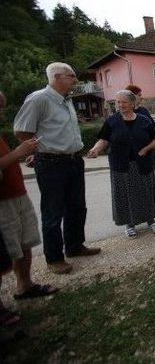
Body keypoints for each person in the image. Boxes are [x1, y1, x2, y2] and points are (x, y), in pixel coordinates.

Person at [14, 62, 100, 275]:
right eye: (71, 76)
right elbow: (21, 130)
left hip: (73, 160)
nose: (75, 80)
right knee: (53, 212)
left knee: (77, 207)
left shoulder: (67, 100)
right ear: (57, 77)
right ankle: (54, 258)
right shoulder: (39, 99)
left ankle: (74, 246)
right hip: (51, 163)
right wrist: (38, 149)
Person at [1, 90, 58, 303]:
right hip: (4, 200)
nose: (2, 113)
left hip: (17, 193)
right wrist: (17, 153)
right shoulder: (38, 99)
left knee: (24, 241)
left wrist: (21, 156)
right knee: (9, 246)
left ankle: (25, 285)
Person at [87, 90, 155, 238]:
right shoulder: (111, 121)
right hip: (120, 165)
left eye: (124, 102)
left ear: (133, 103)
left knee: (145, 191)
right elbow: (103, 140)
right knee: (124, 194)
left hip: (142, 164)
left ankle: (150, 220)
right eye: (118, 102)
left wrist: (146, 149)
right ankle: (129, 224)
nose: (120, 105)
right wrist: (95, 150)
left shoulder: (144, 120)